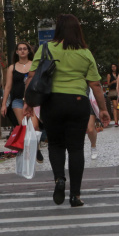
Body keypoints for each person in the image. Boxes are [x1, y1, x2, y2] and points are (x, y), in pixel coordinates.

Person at [23, 14, 110, 208]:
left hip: (52, 102)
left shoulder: (45, 48)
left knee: (55, 144)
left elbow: (31, 77)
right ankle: (75, 196)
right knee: (76, 148)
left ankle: (59, 179)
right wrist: (102, 109)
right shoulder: (85, 53)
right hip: (77, 102)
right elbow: (95, 84)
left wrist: (28, 102)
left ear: (58, 29)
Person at [1, 42, 34, 127]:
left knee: (34, 126)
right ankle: (25, 140)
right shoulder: (12, 68)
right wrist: (4, 104)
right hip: (18, 100)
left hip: (33, 100)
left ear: (28, 51)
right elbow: (8, 86)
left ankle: (35, 140)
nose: (22, 51)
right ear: (16, 52)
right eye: (20, 49)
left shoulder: (34, 65)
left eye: (24, 49)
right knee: (23, 125)